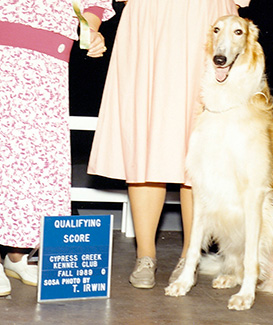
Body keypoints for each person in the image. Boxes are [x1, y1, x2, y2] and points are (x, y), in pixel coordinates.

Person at [88, 0, 251, 289]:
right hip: (150, 19)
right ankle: (145, 256)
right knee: (145, 138)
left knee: (199, 143)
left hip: (205, 19)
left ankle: (190, 258)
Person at [0, 0, 115, 296]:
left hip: (52, 60)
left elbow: (92, 5)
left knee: (38, 162)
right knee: (4, 155)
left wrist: (91, 31)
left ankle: (17, 255)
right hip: (6, 46)